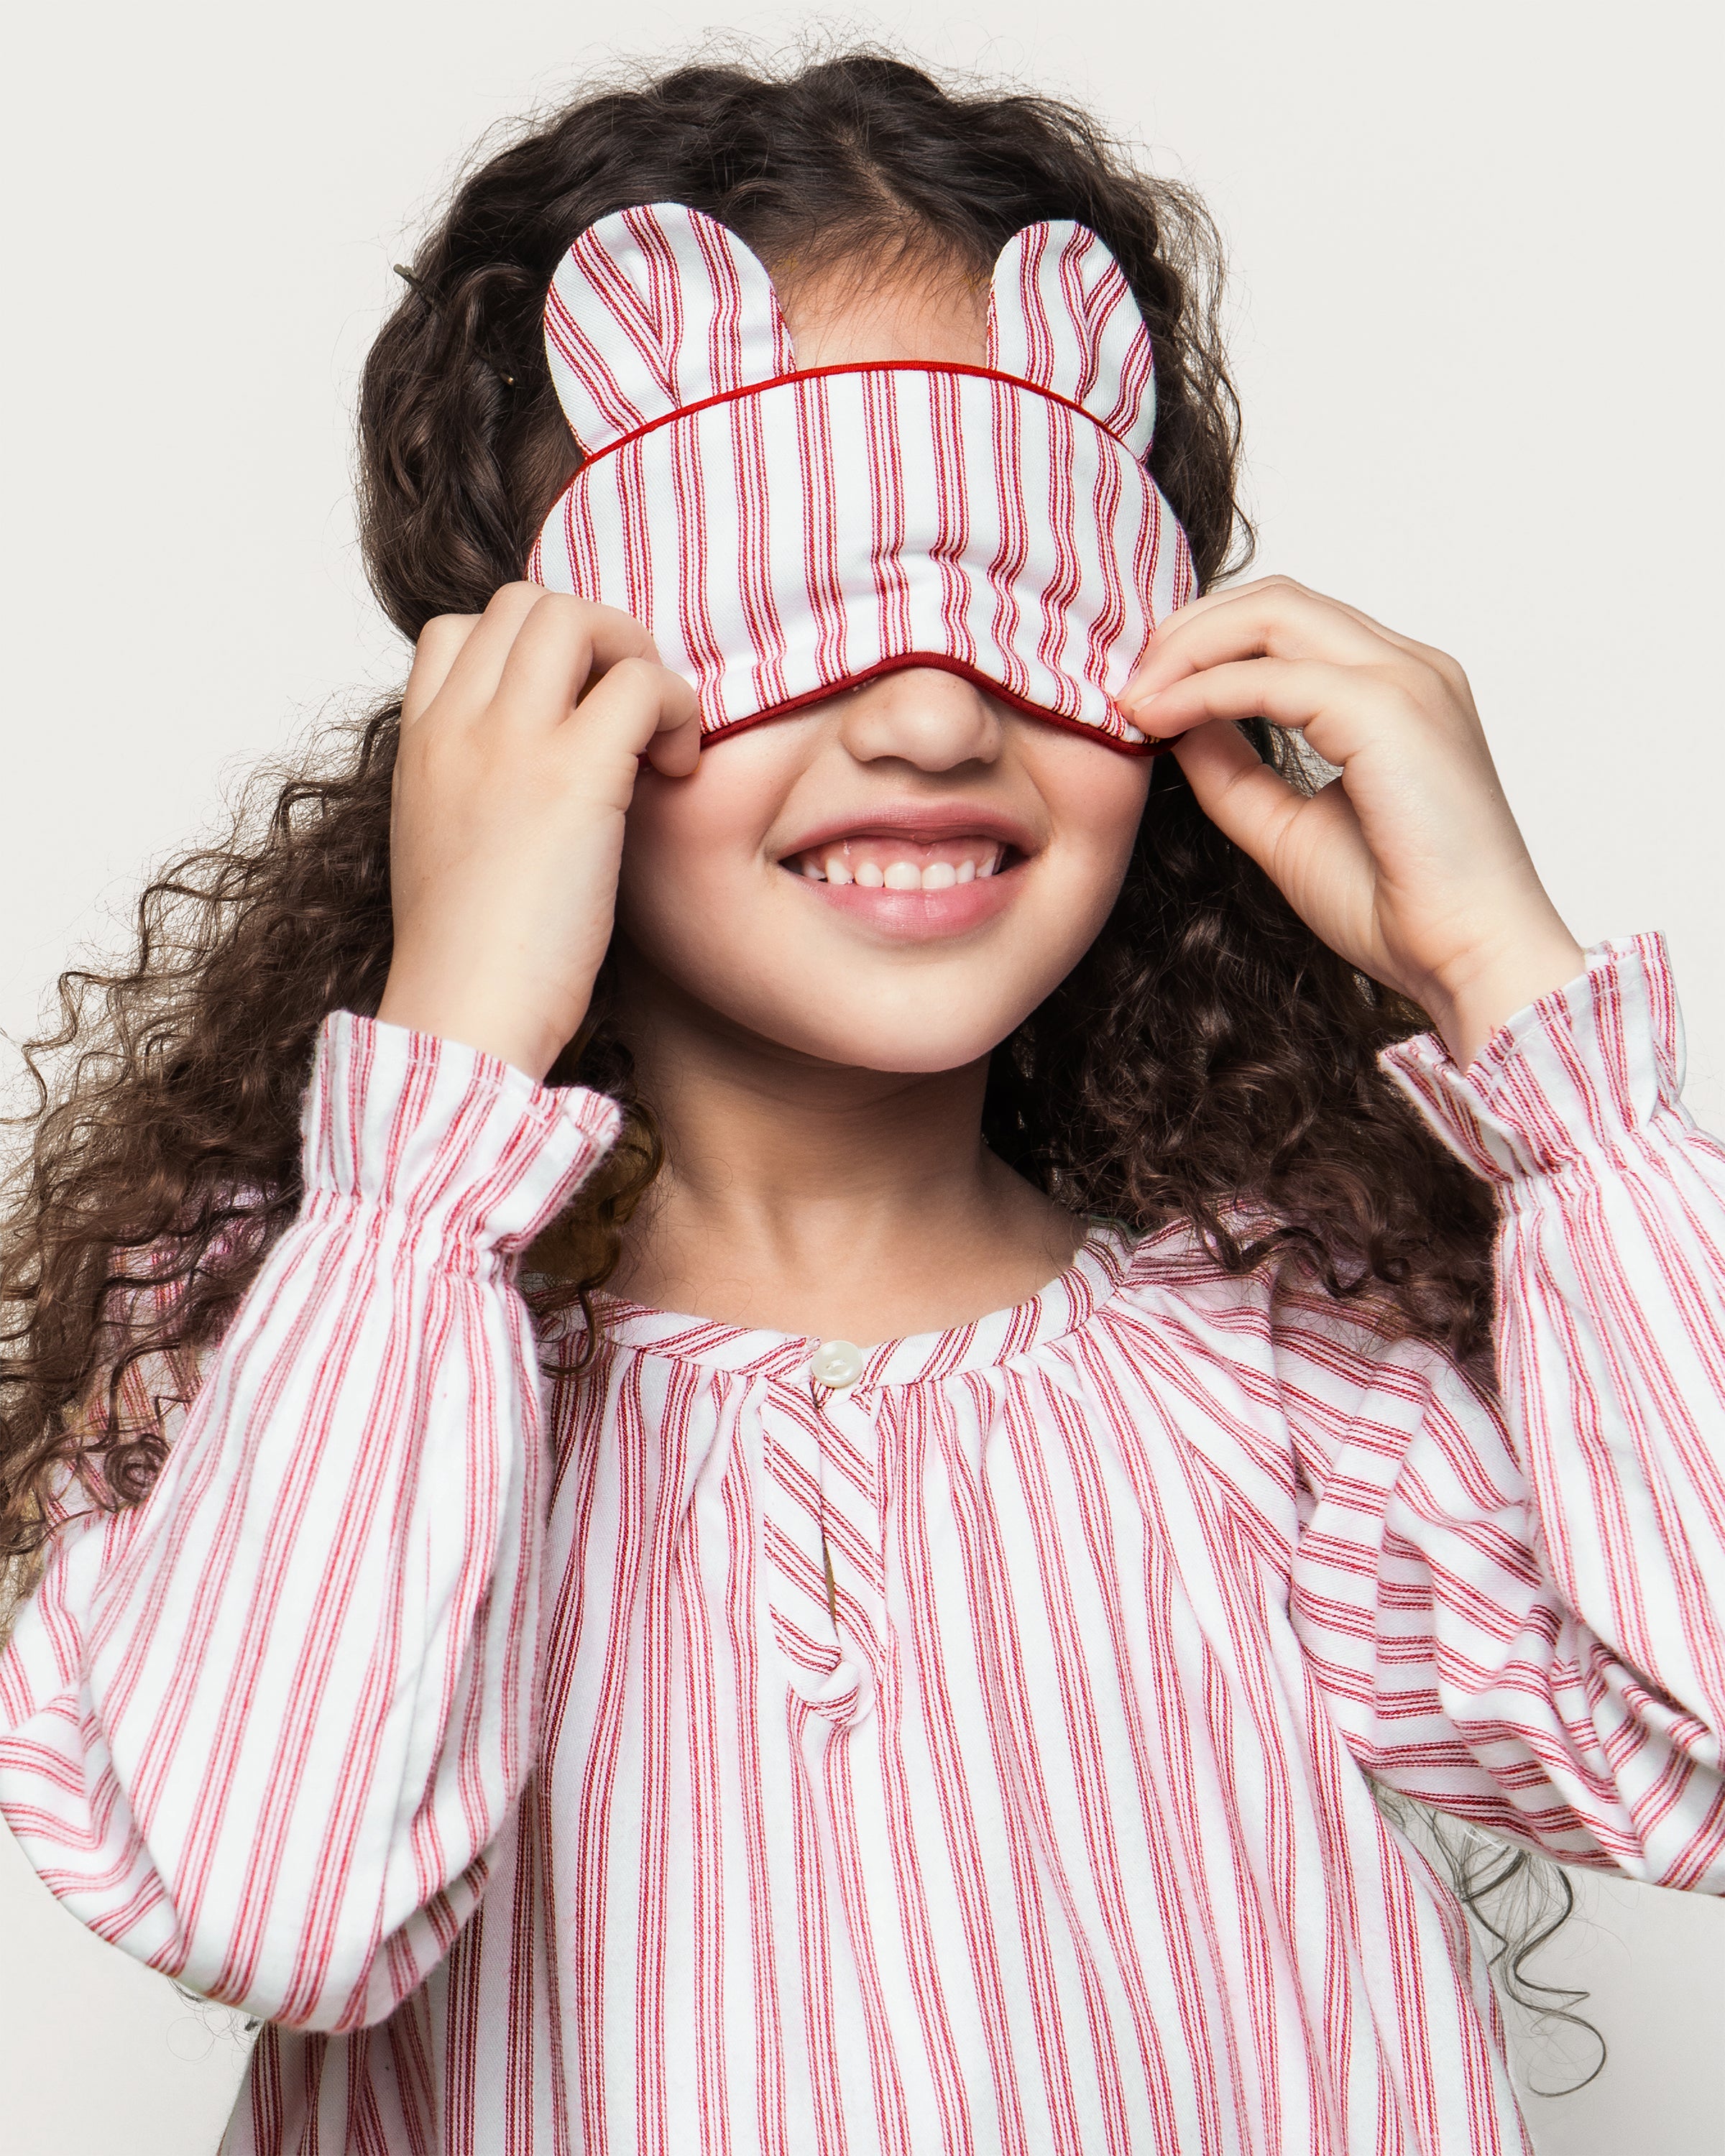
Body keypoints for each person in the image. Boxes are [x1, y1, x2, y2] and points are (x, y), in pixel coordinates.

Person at [1, 48, 1721, 2156]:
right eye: (793, 600)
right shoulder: (280, 1354)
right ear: (516, 700)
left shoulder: (1298, 1386)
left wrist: (1517, 1004)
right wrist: (443, 1084)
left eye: (1021, 601)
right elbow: (280, 1899)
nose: (926, 714)